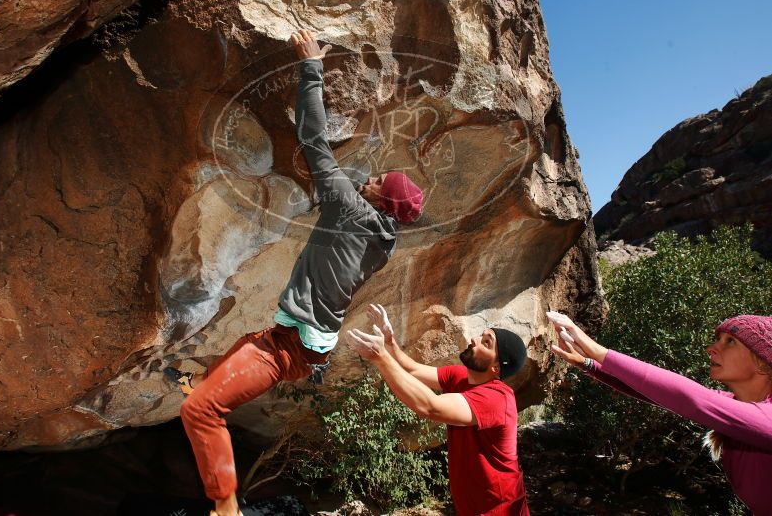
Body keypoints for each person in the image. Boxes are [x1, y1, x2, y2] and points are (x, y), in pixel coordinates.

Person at [169, 30, 424, 516]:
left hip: (293, 347)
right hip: (301, 341)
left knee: (200, 411)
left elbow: (314, 139)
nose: (368, 177)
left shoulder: (350, 209)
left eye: (376, 182)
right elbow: (355, 188)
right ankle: (207, 385)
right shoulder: (382, 240)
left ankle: (226, 509)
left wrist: (310, 66)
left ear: (377, 200)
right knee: (245, 345)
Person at [547, 311, 772, 515]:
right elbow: (663, 396)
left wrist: (598, 351)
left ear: (762, 362)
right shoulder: (737, 404)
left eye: (730, 341)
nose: (711, 348)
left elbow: (693, 399)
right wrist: (588, 363)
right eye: (718, 339)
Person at [347, 304, 531, 515]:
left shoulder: (498, 399)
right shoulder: (461, 377)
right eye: (481, 336)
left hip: (500, 510)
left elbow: (429, 407)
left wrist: (381, 356)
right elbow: (413, 369)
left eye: (486, 343)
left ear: (496, 368)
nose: (474, 339)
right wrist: (390, 343)